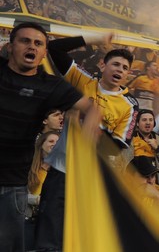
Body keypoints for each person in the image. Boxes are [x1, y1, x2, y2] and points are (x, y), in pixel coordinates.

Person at [35, 34, 138, 251]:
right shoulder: (83, 80)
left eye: (125, 68)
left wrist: (89, 124)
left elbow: (119, 145)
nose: (120, 70)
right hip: (61, 170)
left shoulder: (129, 106)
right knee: (49, 235)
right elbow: (54, 48)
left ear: (128, 74)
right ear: (103, 65)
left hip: (92, 177)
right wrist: (93, 38)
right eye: (115, 64)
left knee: (82, 238)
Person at [0, 22, 89, 252]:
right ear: (10, 47)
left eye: (38, 43)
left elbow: (90, 107)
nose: (32, 46)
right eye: (24, 41)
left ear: (44, 54)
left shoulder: (51, 85)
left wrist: (90, 130)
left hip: (12, 185)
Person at [25, 131, 61, 250]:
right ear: (41, 145)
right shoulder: (30, 168)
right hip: (30, 221)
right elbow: (21, 195)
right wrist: (38, 200)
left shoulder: (62, 172)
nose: (55, 144)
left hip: (51, 224)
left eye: (57, 142)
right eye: (51, 141)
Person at [125, 109, 159, 185]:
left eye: (151, 120)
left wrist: (158, 148)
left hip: (156, 184)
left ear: (154, 123)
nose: (148, 122)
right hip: (134, 183)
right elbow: (121, 162)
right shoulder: (130, 138)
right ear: (137, 123)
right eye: (144, 120)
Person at [126, 156, 159, 224]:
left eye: (153, 175)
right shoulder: (119, 191)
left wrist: (157, 198)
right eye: (145, 176)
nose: (151, 181)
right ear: (129, 177)